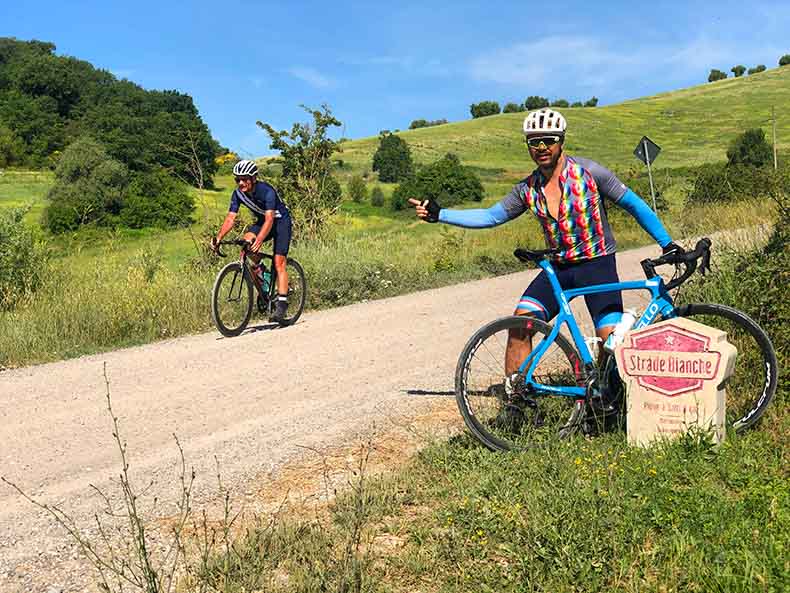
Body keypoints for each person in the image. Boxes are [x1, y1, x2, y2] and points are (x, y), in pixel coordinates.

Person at [409, 108, 682, 402]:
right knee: (520, 324)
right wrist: (441, 215)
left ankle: (606, 400)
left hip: (597, 264)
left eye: (548, 140)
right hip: (559, 270)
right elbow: (490, 216)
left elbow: (635, 205)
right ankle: (516, 404)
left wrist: (667, 244)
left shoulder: (590, 173)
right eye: (534, 142)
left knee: (612, 342)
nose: (541, 148)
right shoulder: (527, 189)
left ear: (561, 140)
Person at [212, 159, 292, 322]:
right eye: (237, 179)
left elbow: (270, 219)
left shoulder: (267, 191)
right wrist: (219, 237)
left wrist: (260, 239)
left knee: (279, 262)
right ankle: (264, 274)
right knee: (246, 242)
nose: (240, 182)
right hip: (263, 223)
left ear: (253, 178)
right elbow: (230, 218)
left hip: (280, 223)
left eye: (244, 179)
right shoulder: (238, 194)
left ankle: (282, 305)